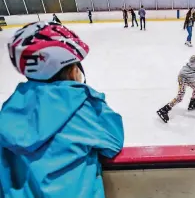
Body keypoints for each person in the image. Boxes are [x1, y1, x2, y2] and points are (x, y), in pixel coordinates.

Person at [0, 21, 124, 198]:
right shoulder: (83, 109)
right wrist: (90, 97)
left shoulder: (8, 111)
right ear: (73, 71)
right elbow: (114, 142)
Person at [157, 43, 195, 123]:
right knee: (180, 97)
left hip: (188, 78)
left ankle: (192, 103)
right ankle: (164, 110)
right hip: (183, 78)